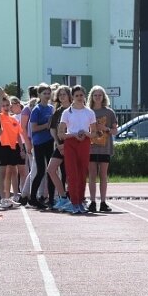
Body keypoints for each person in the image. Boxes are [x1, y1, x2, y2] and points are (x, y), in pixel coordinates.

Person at [58, 85, 97, 214]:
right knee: (72, 174)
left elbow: (94, 133)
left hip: (84, 143)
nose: (79, 98)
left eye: (81, 95)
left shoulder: (89, 112)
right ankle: (74, 202)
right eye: (76, 96)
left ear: (84, 96)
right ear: (72, 97)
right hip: (70, 144)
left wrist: (85, 133)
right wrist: (74, 134)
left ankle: (80, 202)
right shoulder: (66, 112)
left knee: (82, 174)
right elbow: (61, 134)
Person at [87, 86, 118, 213]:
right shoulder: (87, 112)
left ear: (104, 97)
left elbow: (115, 131)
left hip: (105, 148)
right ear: (91, 97)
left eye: (100, 95)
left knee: (103, 175)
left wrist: (105, 128)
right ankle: (93, 201)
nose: (98, 97)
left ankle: (103, 202)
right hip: (91, 148)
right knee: (92, 175)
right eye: (95, 95)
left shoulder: (109, 112)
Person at [27, 84, 55, 209]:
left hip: (49, 142)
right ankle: (33, 198)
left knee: (51, 171)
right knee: (40, 171)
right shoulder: (36, 110)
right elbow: (34, 128)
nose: (47, 96)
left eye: (49, 93)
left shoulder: (50, 108)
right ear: (39, 95)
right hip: (39, 143)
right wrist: (46, 126)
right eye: (44, 93)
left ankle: (51, 199)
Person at [46, 86, 72, 211]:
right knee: (51, 169)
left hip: (71, 145)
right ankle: (63, 197)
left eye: (64, 94)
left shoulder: (74, 110)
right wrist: (57, 143)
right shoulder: (57, 112)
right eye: (60, 94)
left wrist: (66, 144)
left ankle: (74, 198)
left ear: (69, 96)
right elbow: (53, 130)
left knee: (70, 174)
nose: (62, 96)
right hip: (60, 145)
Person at [0, 94, 23, 209]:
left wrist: (21, 149)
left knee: (14, 171)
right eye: (4, 105)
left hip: (13, 147)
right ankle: (3, 198)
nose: (6, 107)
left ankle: (15, 195)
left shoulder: (14, 119)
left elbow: (18, 135)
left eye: (8, 105)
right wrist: (1, 95)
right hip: (3, 147)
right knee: (2, 173)